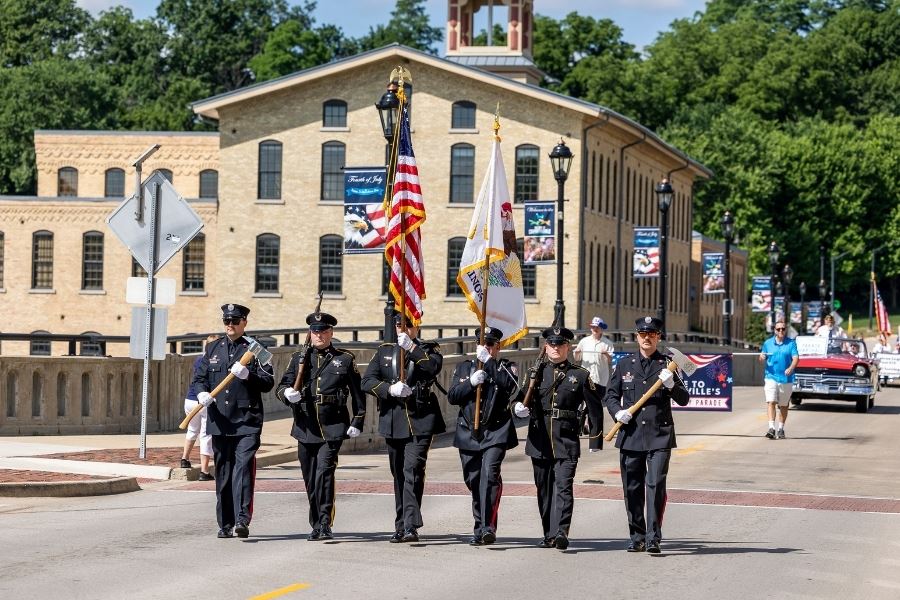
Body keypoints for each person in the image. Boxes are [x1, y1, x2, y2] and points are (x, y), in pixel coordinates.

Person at [275, 312, 366, 541]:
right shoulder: (299, 358)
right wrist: (288, 394)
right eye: (315, 331)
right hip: (305, 427)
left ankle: (324, 523)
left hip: (332, 426)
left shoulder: (344, 359)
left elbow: (358, 394)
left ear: (331, 333)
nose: (319, 335)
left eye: (324, 331)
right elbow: (282, 386)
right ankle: (315, 522)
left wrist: (358, 419)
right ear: (310, 333)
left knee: (324, 474)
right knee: (309, 478)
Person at [604, 316, 690, 554]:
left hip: (659, 435)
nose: (647, 338)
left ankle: (653, 537)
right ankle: (637, 536)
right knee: (632, 488)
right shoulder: (624, 365)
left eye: (652, 334)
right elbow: (610, 395)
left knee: (654, 485)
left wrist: (672, 383)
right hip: (631, 435)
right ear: (636, 336)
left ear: (658, 337)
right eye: (643, 334)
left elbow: (684, 399)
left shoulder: (668, 363)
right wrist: (617, 412)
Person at [514, 326, 603, 551]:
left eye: (560, 344)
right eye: (552, 344)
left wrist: (595, 439)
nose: (556, 348)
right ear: (546, 347)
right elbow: (518, 398)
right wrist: (517, 408)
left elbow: (594, 409)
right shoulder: (535, 373)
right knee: (544, 490)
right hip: (539, 440)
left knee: (564, 487)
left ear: (568, 347)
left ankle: (562, 531)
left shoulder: (579, 375)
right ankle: (549, 533)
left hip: (566, 440)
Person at [361, 312, 444, 543]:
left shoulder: (429, 350)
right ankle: (401, 524)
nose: (403, 329)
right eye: (399, 325)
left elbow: (432, 369)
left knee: (413, 470)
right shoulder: (385, 351)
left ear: (416, 326)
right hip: (393, 419)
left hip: (420, 420)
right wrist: (389, 389)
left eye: (408, 325)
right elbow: (367, 381)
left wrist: (413, 349)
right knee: (398, 474)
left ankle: (410, 525)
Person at [193, 303, 274, 539]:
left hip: (246, 421)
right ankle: (225, 523)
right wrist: (201, 393)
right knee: (224, 472)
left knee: (242, 470)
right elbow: (199, 378)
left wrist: (249, 376)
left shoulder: (257, 349)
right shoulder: (212, 348)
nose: (230, 325)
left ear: (244, 323)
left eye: (235, 321)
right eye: (226, 321)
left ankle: (241, 519)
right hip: (220, 420)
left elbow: (268, 382)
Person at [447, 326, 522, 546]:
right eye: (483, 344)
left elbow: (511, 387)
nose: (486, 348)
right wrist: (471, 383)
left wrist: (489, 364)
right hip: (468, 431)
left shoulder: (507, 367)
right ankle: (480, 523)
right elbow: (453, 396)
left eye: (490, 344)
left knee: (489, 476)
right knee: (474, 480)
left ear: (498, 346)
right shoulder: (464, 368)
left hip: (496, 431)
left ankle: (486, 527)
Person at [180, 334, 219, 480]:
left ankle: (185, 459)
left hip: (190, 399)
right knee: (206, 435)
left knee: (192, 430)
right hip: (204, 400)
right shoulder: (214, 361)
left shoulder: (199, 359)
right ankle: (204, 471)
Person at [572, 316, 613, 451]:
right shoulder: (584, 341)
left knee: (594, 404)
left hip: (600, 378)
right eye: (592, 327)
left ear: (601, 329)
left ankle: (585, 423)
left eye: (597, 327)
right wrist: (577, 352)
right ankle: (585, 424)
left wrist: (605, 354)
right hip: (586, 377)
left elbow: (609, 360)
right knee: (587, 402)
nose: (594, 329)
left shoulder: (606, 343)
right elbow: (577, 358)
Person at [758, 318, 799, 440]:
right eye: (778, 329)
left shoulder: (791, 343)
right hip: (771, 376)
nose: (781, 330)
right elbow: (762, 358)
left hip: (786, 378)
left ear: (785, 330)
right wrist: (761, 357)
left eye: (783, 329)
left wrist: (791, 368)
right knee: (771, 401)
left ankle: (781, 429)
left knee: (783, 405)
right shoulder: (767, 343)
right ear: (774, 331)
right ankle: (771, 428)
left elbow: (796, 358)